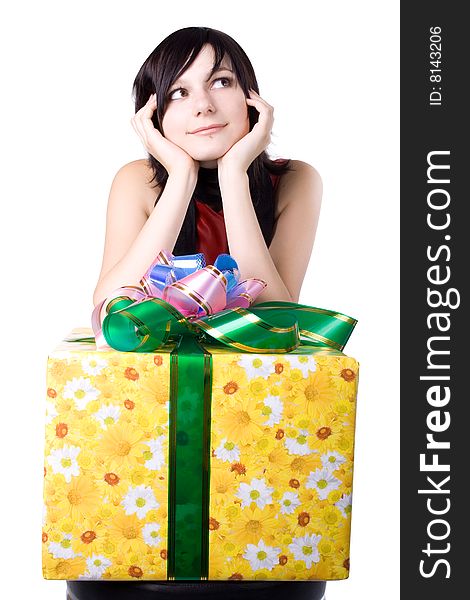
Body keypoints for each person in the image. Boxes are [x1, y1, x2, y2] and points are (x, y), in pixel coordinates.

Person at [69, 26, 324, 600]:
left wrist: (234, 174)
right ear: (153, 115)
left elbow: (279, 321)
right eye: (178, 93)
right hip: (145, 427)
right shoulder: (139, 180)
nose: (204, 104)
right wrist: (180, 177)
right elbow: (111, 311)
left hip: (253, 427)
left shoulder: (295, 180)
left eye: (222, 82)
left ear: (252, 98)